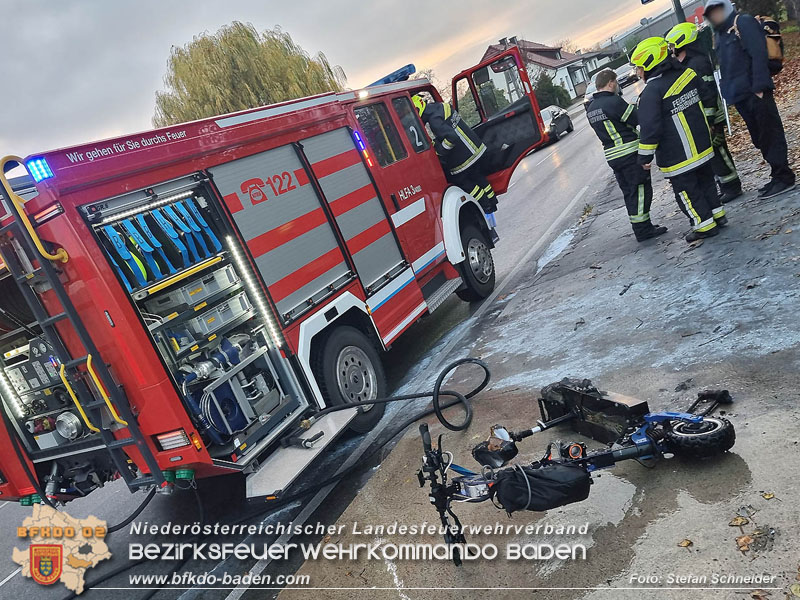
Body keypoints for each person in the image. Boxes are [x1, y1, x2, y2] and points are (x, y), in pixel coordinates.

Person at [632, 37, 727, 242]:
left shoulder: (651, 92)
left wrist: (644, 159)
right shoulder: (688, 74)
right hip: (702, 145)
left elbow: (650, 129)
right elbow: (709, 98)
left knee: (687, 192)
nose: (638, 72)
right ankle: (718, 216)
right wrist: (710, 122)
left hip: (678, 155)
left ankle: (704, 226)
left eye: (639, 67)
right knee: (707, 183)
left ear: (649, 63)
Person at [704, 0, 796, 199]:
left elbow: (758, 54)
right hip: (741, 96)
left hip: (756, 92)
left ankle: (784, 177)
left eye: (717, 11)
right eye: (711, 13)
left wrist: (760, 87)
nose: (715, 16)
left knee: (771, 133)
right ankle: (776, 174)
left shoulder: (742, 22)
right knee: (760, 137)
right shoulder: (720, 33)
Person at [585, 69, 668, 241]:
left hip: (612, 156)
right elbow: (636, 118)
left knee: (629, 192)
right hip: (629, 152)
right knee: (640, 190)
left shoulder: (591, 108)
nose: (617, 86)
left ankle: (642, 227)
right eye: (615, 82)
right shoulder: (614, 102)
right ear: (610, 83)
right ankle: (643, 230)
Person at [666, 22, 742, 204]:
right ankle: (725, 186)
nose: (670, 49)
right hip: (704, 118)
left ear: (680, 42)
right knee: (713, 155)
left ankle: (732, 186)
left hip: (712, 118)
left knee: (719, 151)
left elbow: (707, 94)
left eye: (671, 45)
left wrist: (709, 121)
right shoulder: (689, 63)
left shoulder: (697, 63)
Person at [412, 95, 499, 240]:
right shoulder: (441, 107)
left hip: (464, 159)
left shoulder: (433, 120)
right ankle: (492, 202)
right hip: (476, 149)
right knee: (479, 178)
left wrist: (439, 150)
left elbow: (451, 138)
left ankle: (485, 206)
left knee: (465, 183)